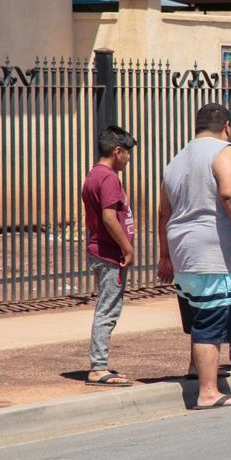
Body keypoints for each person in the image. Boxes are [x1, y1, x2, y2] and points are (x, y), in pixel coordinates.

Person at [158, 103, 231, 410]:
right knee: (212, 320)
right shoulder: (224, 151)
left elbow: (163, 211)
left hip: (183, 251)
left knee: (199, 316)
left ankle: (197, 371)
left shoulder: (178, 158)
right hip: (213, 250)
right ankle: (208, 392)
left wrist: (164, 255)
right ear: (228, 126)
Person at [81, 125, 137, 387]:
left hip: (100, 250)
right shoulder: (109, 178)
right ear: (117, 151)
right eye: (127, 153)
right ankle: (98, 366)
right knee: (108, 310)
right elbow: (108, 217)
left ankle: (99, 364)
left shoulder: (93, 174)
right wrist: (127, 247)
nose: (128, 158)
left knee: (107, 307)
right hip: (109, 254)